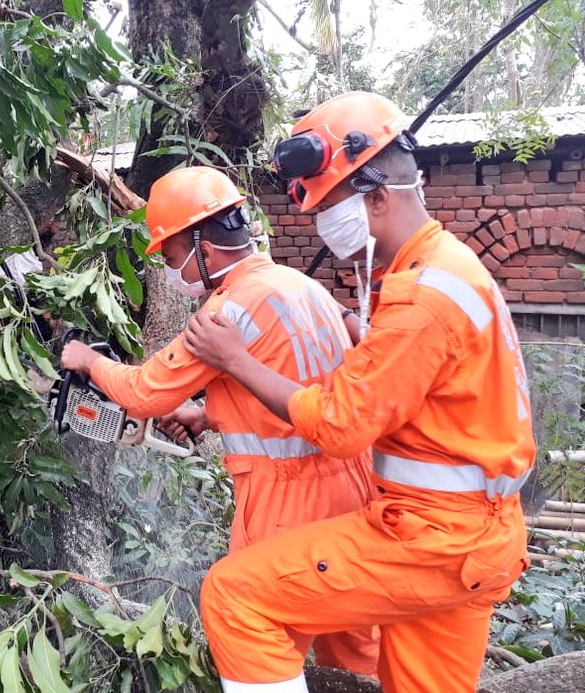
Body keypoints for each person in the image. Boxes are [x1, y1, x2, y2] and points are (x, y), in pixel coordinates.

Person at [182, 91, 535, 692]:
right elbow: (396, 383)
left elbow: (341, 425)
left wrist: (234, 360)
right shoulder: (445, 268)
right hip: (478, 546)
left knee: (235, 595)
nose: (318, 224)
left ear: (377, 197)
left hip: (431, 539)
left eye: (328, 208)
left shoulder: (422, 296)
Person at [60, 165, 379, 677]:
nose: (169, 270)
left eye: (168, 257)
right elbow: (297, 378)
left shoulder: (224, 314)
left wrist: (88, 361)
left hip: (286, 504)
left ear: (201, 250)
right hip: (356, 488)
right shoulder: (300, 286)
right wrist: (210, 414)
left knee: (263, 636)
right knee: (354, 646)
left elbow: (143, 394)